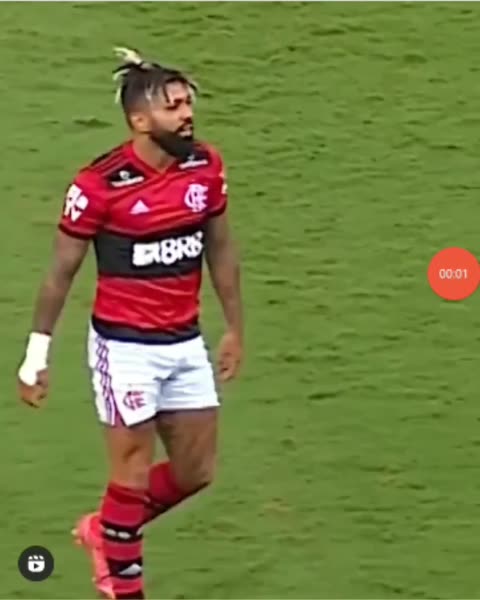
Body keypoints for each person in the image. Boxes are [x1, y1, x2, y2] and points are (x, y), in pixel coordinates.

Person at [17, 47, 244, 600]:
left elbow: (220, 247)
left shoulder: (205, 166)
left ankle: (105, 530)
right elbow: (60, 272)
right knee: (132, 473)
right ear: (140, 121)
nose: (187, 115)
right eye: (173, 107)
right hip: (124, 349)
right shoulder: (99, 185)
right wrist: (36, 355)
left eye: (188, 103)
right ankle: (125, 585)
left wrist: (235, 326)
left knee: (195, 472)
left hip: (184, 341)